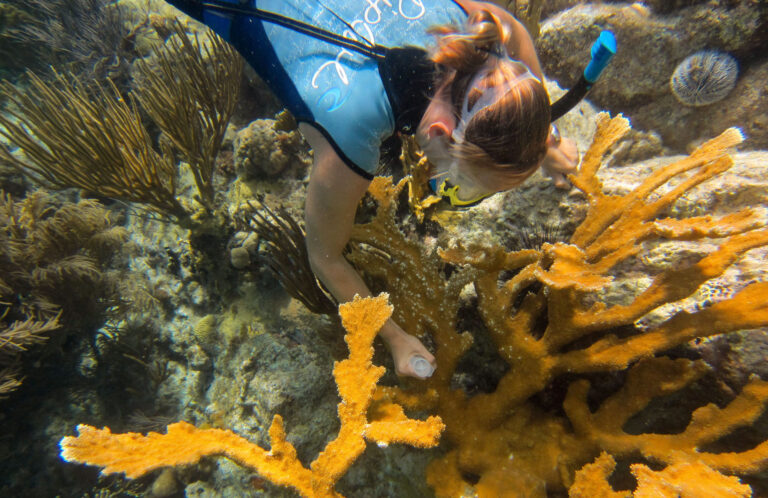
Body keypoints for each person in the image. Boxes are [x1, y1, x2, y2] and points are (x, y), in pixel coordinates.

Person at [165, 0, 579, 378]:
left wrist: (546, 138)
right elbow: (324, 257)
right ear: (439, 132)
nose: (451, 188)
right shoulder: (353, 127)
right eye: (462, 183)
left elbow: (517, 37)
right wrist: (395, 338)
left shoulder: (483, 30)